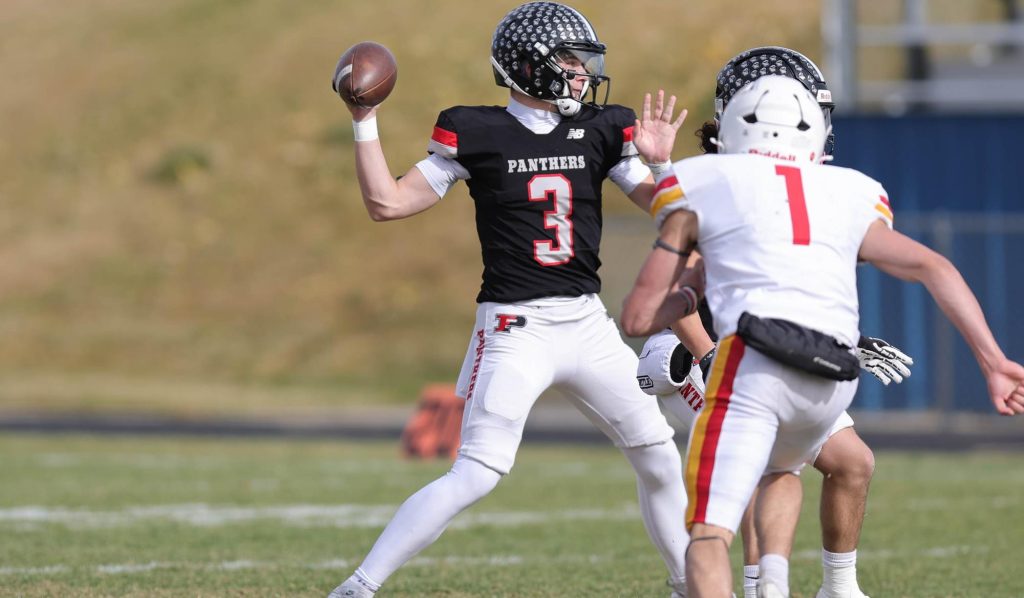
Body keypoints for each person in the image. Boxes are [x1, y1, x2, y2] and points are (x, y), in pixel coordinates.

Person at [327, 3, 692, 597]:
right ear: (528, 66)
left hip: (588, 322)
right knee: (478, 472)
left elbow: (672, 214)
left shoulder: (604, 128)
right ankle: (360, 587)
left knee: (657, 454)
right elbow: (388, 203)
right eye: (569, 61)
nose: (582, 73)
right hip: (516, 327)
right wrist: (364, 118)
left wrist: (663, 164)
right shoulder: (477, 130)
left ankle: (690, 588)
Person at [620, 75, 1024, 597]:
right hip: (822, 371)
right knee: (777, 468)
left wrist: (662, 187)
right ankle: (772, 586)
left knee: (709, 534)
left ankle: (783, 586)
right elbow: (933, 265)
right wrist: (993, 361)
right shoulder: (854, 189)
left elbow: (639, 314)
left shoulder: (705, 181)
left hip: (754, 363)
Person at [636, 46, 914, 598]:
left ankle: (838, 587)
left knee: (852, 462)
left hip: (771, 353)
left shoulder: (797, 185)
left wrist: (846, 340)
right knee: (758, 467)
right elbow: (675, 289)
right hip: (700, 353)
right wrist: (713, 356)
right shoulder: (720, 182)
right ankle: (753, 585)